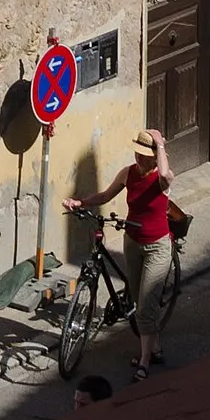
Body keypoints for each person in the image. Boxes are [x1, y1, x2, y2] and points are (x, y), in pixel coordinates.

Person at [87, 126, 173, 377]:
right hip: (133, 243)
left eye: (144, 154)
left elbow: (166, 174)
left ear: (154, 155)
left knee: (146, 306)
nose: (139, 158)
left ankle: (145, 360)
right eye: (137, 153)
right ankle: (155, 346)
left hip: (157, 246)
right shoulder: (128, 174)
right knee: (138, 299)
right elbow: (105, 195)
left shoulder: (162, 179)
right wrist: (81, 202)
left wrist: (161, 147)